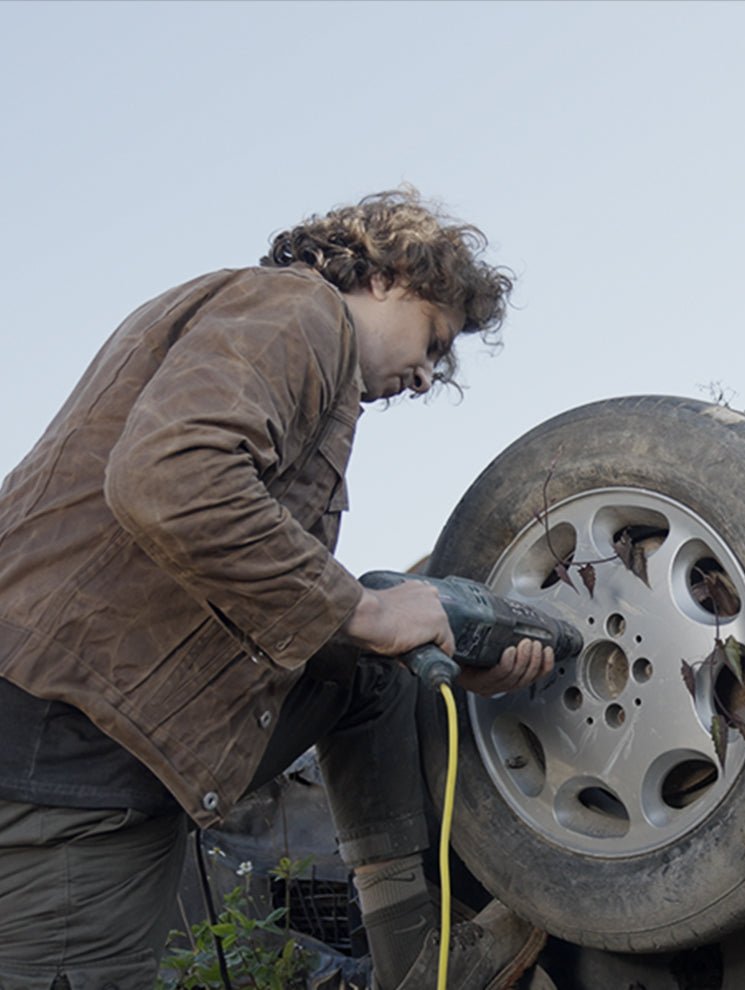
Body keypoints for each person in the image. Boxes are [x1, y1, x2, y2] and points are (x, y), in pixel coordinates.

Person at [0, 189, 549, 989]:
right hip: (69, 763)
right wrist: (367, 608)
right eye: (435, 339)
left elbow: (261, 598)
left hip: (83, 732)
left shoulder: (261, 335)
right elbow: (171, 481)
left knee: (367, 679)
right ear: (392, 272)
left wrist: (427, 645)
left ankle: (420, 961)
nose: (430, 375)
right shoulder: (297, 312)